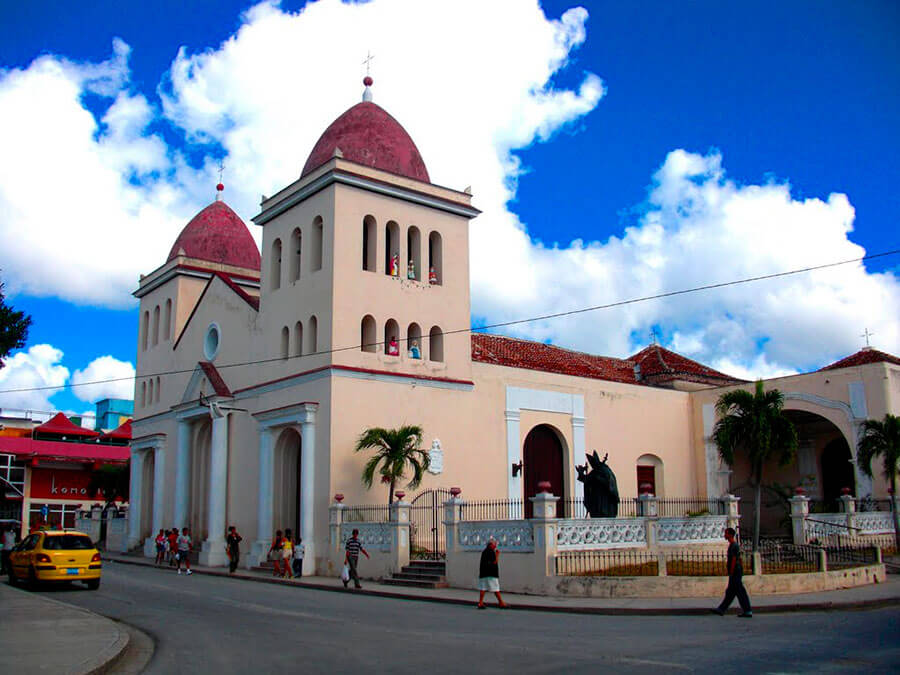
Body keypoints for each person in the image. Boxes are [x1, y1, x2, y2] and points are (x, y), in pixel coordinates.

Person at [713, 527, 752, 617]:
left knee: (739, 591)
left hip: (735, 571)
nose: (724, 535)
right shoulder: (732, 545)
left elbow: (734, 559)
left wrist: (731, 572)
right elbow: (740, 558)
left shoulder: (734, 545)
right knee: (730, 592)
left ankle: (747, 610)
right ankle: (721, 609)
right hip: (737, 571)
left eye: (726, 533)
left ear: (730, 535)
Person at [476, 537, 507, 609]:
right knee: (496, 588)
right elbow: (494, 562)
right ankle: (501, 603)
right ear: (490, 545)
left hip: (484, 572)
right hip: (491, 573)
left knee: (483, 588)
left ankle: (480, 603)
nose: (495, 546)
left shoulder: (484, 551)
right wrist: (497, 554)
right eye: (494, 544)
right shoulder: (491, 551)